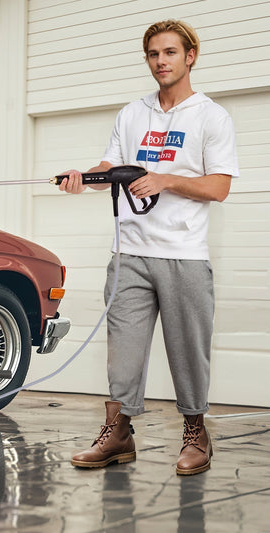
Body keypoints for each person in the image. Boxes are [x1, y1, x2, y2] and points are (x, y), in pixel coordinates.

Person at [59, 20, 238, 475]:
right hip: (130, 255)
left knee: (187, 351)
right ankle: (118, 434)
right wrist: (85, 177)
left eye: (171, 52)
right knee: (123, 350)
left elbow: (219, 187)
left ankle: (196, 434)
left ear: (190, 56)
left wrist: (166, 179)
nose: (161, 61)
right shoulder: (131, 114)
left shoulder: (211, 117)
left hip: (184, 256)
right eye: (154, 54)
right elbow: (110, 167)